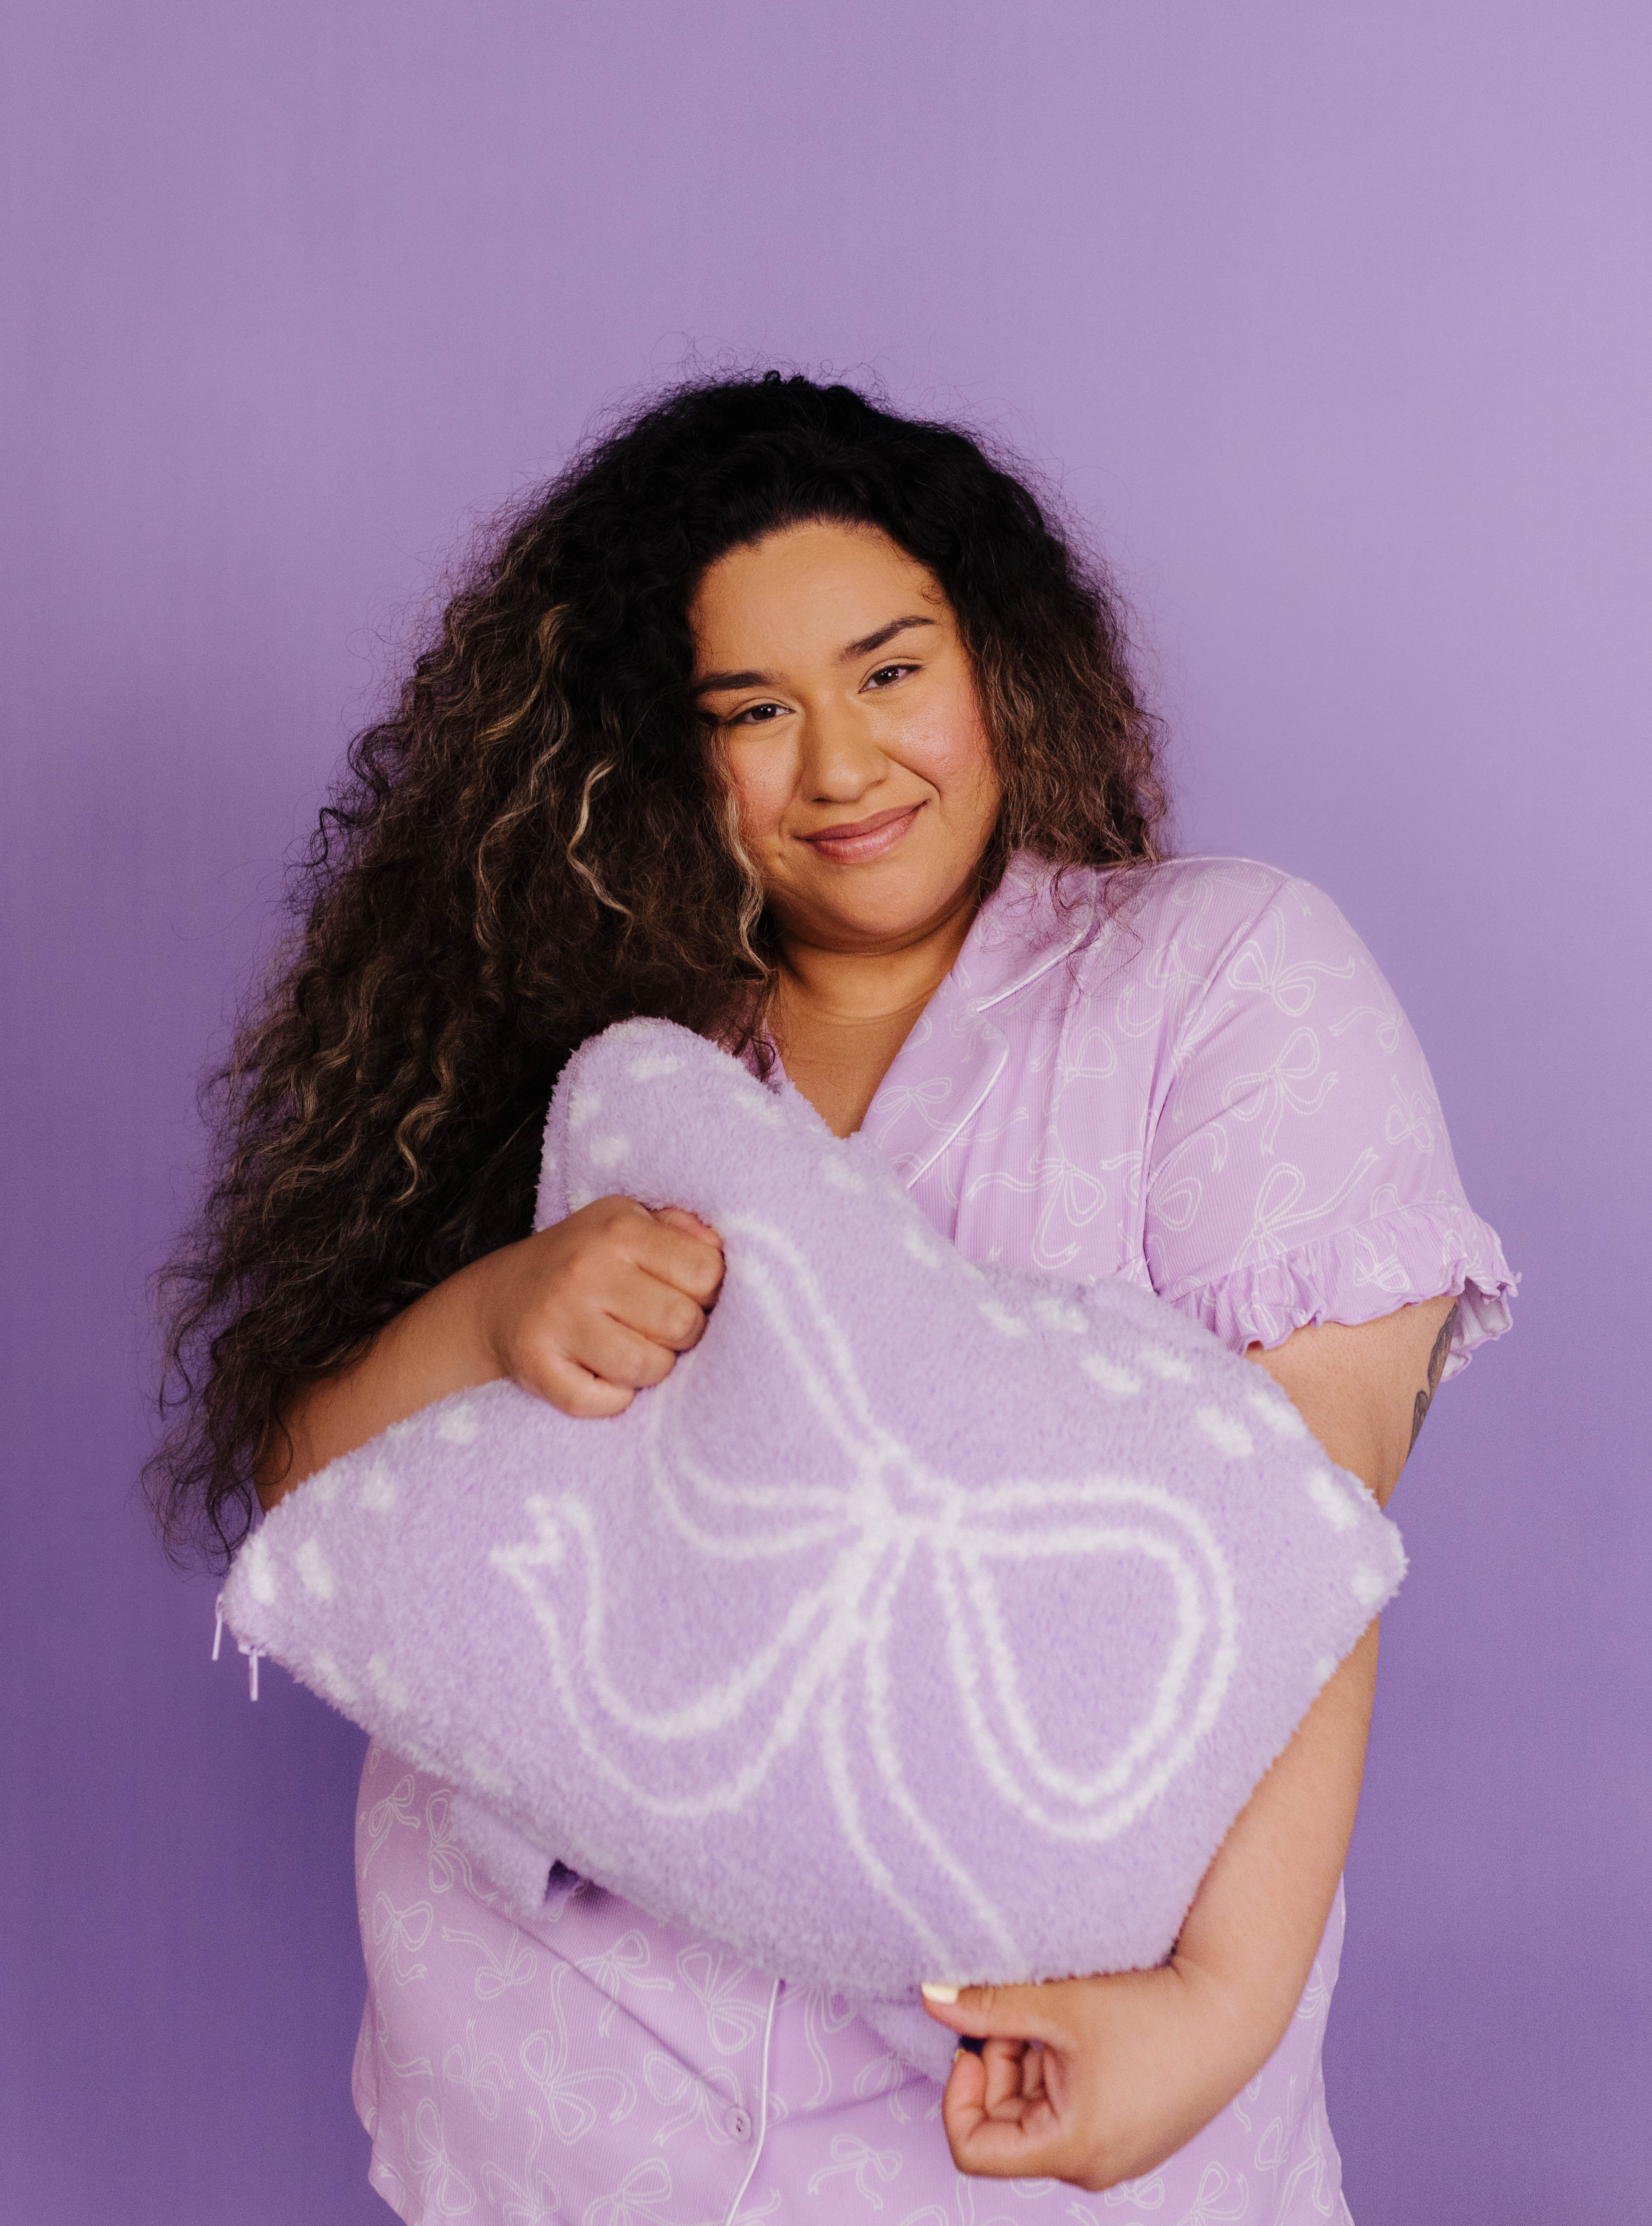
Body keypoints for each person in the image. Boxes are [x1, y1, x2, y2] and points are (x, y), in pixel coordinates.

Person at [151, 373, 1513, 2220]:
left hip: (1039, 2115)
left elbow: (1297, 1552)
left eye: (890, 673)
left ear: (999, 659)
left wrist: (1218, 2005)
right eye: (750, 714)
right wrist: (492, 1322)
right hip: (573, 2113)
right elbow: (318, 1520)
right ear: (650, 752)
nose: (843, 766)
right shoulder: (577, 1059)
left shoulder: (1221, 983)